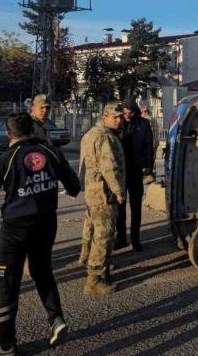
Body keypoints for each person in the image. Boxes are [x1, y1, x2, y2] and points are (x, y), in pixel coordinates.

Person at [0, 113, 80, 356]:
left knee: (7, 281)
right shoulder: (52, 153)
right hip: (46, 222)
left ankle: (6, 345)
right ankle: (56, 319)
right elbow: (75, 188)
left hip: (15, 227)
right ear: (33, 131)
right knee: (42, 270)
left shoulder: (6, 158)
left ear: (8, 134)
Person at [79, 102, 126, 295]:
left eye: (120, 116)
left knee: (93, 230)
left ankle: (93, 264)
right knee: (104, 234)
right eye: (115, 117)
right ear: (104, 116)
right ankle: (94, 280)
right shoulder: (105, 137)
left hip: (92, 191)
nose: (119, 120)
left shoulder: (90, 134)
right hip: (104, 193)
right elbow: (109, 168)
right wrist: (119, 191)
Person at [116, 98, 153, 251]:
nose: (128, 115)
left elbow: (148, 146)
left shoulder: (143, 124)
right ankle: (121, 238)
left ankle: (135, 239)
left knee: (136, 207)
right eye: (125, 112)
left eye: (130, 112)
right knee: (120, 207)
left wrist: (148, 166)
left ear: (135, 111)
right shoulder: (117, 124)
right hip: (120, 172)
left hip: (136, 171)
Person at [140, 104, 158, 185]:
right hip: (155, 142)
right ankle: (152, 175)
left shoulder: (147, 120)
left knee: (148, 159)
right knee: (152, 159)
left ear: (145, 112)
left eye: (141, 112)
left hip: (149, 143)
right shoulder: (154, 119)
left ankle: (149, 176)